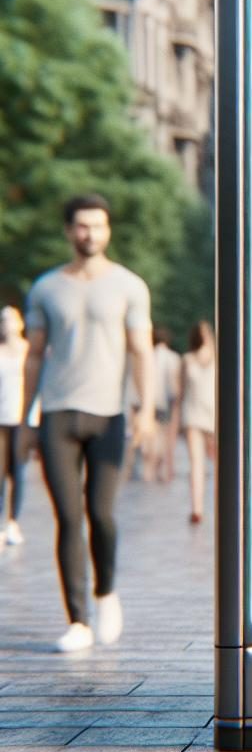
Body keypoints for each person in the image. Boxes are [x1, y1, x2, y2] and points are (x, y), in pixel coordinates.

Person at [20, 194, 155, 652]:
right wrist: (25, 419)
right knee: (68, 517)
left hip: (110, 415)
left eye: (97, 225)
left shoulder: (129, 286)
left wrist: (147, 409)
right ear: (68, 231)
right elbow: (34, 355)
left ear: (108, 230)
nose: (89, 234)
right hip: (58, 414)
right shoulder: (45, 288)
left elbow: (140, 350)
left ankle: (106, 593)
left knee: (101, 514)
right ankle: (77, 619)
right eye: (81, 226)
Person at [0, 306, 29, 547]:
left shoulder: (29, 351)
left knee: (18, 472)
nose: (6, 324)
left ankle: (13, 521)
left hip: (22, 419)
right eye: (3, 320)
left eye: (10, 319)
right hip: (1, 419)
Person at [181, 320, 215, 524]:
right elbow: (180, 393)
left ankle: (224, 501)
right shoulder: (187, 359)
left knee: (219, 462)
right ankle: (197, 508)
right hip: (193, 414)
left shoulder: (219, 356)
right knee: (196, 463)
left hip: (214, 416)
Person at [144, 327, 182, 484]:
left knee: (152, 437)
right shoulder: (173, 357)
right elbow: (175, 385)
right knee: (164, 438)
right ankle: (158, 468)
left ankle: (150, 471)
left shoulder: (148, 355)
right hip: (166, 402)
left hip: (149, 402)